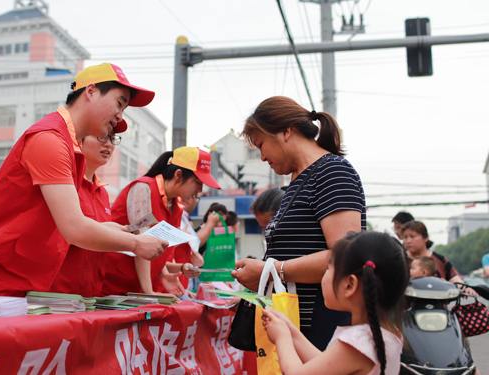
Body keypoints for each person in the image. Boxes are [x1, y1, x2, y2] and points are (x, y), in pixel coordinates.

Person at [0, 63, 168, 297]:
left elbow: (61, 223)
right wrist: (136, 244)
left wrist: (103, 228)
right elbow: (74, 228)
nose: (120, 116)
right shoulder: (50, 139)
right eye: (119, 103)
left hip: (17, 287)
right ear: (91, 91)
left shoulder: (69, 147)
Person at [232, 96, 366, 350]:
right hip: (298, 326)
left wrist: (271, 271)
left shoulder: (332, 172)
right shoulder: (299, 181)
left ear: (285, 132)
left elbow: (346, 257)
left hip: (323, 325)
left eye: (261, 145)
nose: (262, 157)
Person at [261, 231, 408, 375]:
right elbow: (324, 366)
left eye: (328, 269)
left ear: (350, 285)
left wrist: (282, 337)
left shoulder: (357, 341)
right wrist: (290, 329)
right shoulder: (387, 334)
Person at [101, 147, 221, 296]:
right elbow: (142, 241)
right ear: (178, 175)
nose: (200, 190)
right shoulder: (143, 188)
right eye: (197, 182)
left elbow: (157, 249)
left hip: (138, 288)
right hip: (114, 284)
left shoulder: (176, 205)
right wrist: (149, 292)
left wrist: (163, 275)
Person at [46, 132, 120, 296]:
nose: (108, 144)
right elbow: (66, 231)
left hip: (89, 295)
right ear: (80, 140)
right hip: (56, 294)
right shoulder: (64, 182)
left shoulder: (103, 193)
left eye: (113, 139)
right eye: (101, 136)